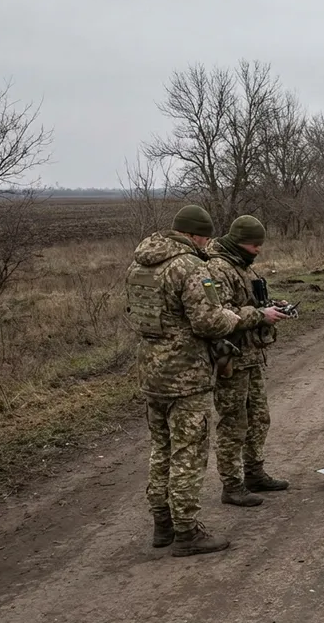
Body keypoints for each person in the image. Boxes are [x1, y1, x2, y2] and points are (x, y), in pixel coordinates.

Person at [124, 205, 286, 557]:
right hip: (186, 374)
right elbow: (208, 322)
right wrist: (237, 317)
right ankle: (186, 532)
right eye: (204, 237)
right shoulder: (188, 267)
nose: (206, 244)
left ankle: (163, 525)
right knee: (189, 452)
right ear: (193, 235)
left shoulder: (139, 265)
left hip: (151, 370)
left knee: (161, 449)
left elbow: (135, 315)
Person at [206, 215, 290, 507]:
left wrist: (271, 307)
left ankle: (254, 473)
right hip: (231, 357)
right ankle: (232, 485)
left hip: (251, 355)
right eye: (255, 244)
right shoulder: (218, 268)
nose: (258, 250)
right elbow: (220, 314)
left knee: (258, 418)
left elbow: (248, 303)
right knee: (234, 422)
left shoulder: (241, 265)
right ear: (240, 242)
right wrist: (259, 315)